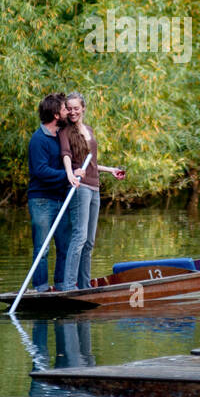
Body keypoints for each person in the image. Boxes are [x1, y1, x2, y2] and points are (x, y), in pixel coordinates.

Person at [59, 91, 125, 290]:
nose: (72, 112)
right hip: (80, 187)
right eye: (69, 109)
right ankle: (70, 286)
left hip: (95, 186)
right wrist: (69, 173)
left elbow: (92, 163)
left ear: (83, 108)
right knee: (79, 237)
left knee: (89, 241)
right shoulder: (65, 132)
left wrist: (110, 170)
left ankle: (85, 285)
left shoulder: (88, 129)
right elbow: (66, 154)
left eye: (76, 108)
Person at [26, 93, 77, 292]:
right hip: (41, 201)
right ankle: (40, 288)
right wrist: (68, 175)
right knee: (42, 248)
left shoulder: (63, 135)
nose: (68, 112)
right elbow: (40, 171)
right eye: (65, 109)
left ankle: (62, 286)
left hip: (62, 199)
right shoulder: (38, 140)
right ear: (56, 114)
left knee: (64, 246)